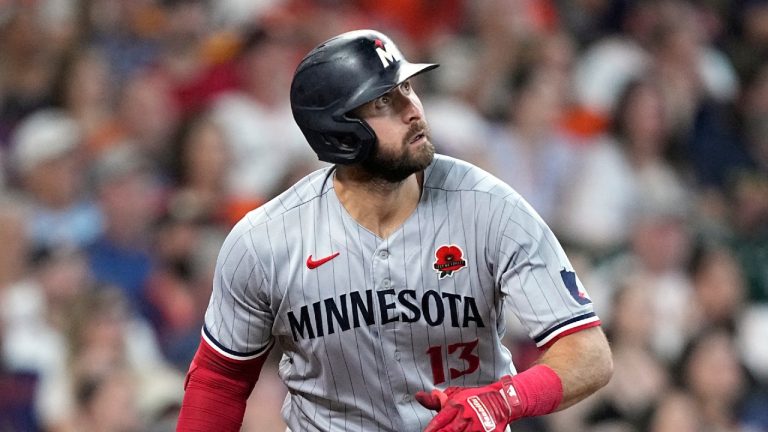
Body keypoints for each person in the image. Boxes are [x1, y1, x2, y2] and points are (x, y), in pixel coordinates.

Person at [177, 29, 613, 432]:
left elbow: (589, 353)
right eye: (384, 101)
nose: (413, 110)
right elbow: (220, 379)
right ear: (338, 131)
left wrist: (502, 399)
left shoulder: (492, 208)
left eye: (407, 88)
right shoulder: (265, 240)